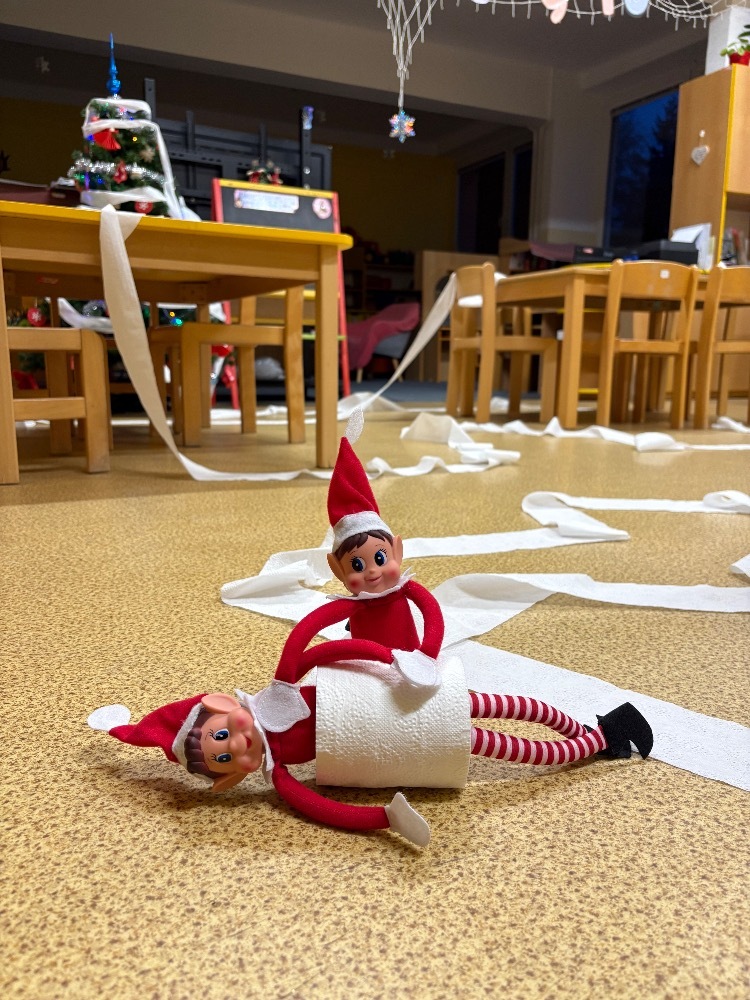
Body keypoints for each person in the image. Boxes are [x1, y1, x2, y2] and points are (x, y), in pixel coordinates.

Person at [88, 637, 654, 847]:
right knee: (483, 740)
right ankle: (596, 740)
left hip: (399, 693)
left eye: (221, 736)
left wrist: (396, 659)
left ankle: (586, 730)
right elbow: (320, 807)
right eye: (223, 760)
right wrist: (382, 819)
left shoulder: (285, 683)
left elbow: (320, 649)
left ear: (221, 705)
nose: (235, 748)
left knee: (496, 705)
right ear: (230, 779)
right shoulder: (280, 776)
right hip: (400, 734)